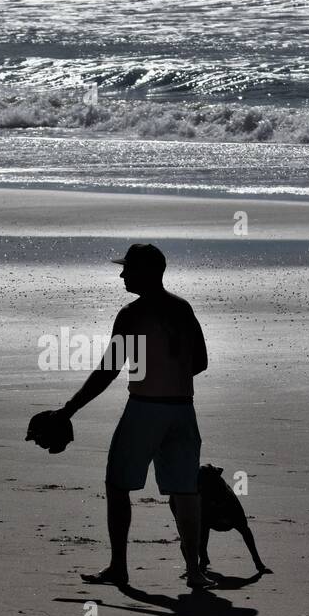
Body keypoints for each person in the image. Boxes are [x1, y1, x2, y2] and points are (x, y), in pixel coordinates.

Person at [57, 243, 210, 589]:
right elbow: (200, 362)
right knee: (185, 492)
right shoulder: (183, 309)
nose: (122, 274)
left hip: (144, 410)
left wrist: (69, 410)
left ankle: (119, 568)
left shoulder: (131, 314)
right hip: (183, 410)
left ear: (145, 272)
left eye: (128, 269)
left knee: (117, 485)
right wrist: (169, 374)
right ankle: (195, 572)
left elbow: (109, 370)